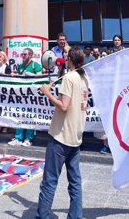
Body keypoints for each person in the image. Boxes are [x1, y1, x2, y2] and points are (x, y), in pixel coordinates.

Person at [35, 46, 88, 219]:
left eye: (66, 57)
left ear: (70, 60)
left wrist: (47, 93)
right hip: (75, 137)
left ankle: (42, 216)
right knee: (75, 182)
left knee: (49, 181)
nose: (64, 58)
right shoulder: (84, 77)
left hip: (61, 136)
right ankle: (75, 216)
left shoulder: (70, 78)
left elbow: (64, 106)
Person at [8, 48, 41, 147]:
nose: (23, 56)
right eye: (22, 54)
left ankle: (28, 139)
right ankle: (18, 138)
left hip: (31, 97)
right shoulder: (21, 66)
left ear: (30, 55)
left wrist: (30, 74)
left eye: (25, 54)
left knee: (30, 117)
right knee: (19, 115)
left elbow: (40, 78)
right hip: (21, 97)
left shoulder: (36, 65)